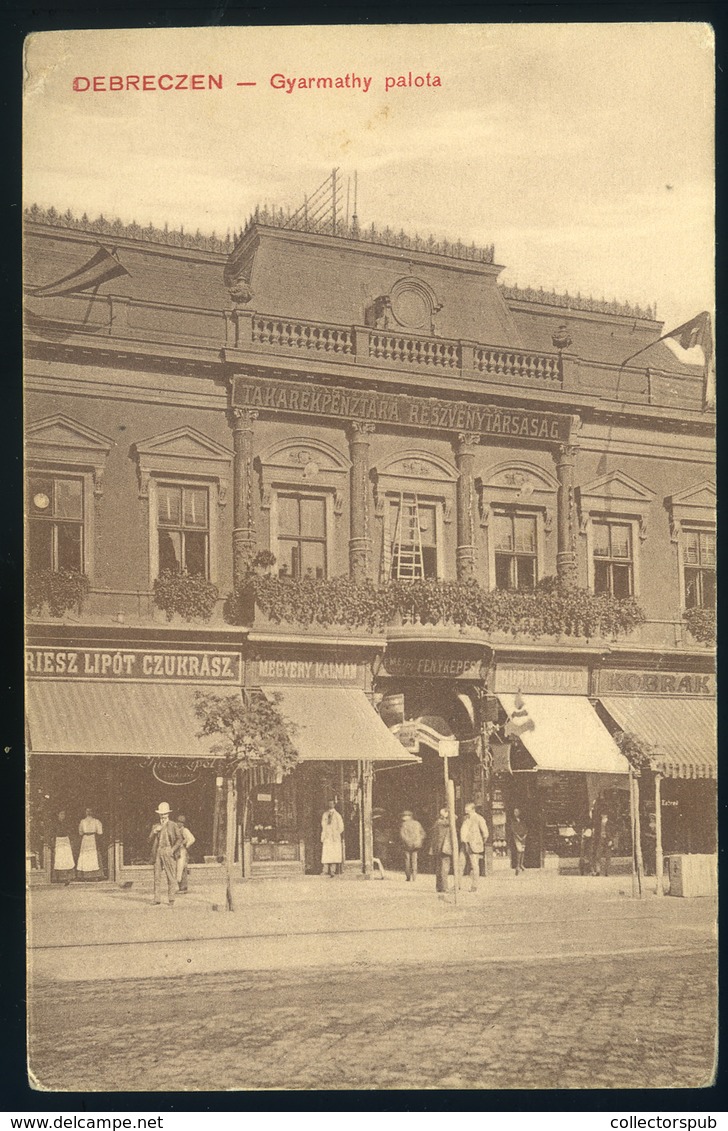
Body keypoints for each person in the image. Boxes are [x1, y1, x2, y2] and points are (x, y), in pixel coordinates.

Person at [149, 802, 184, 905]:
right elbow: (149, 839)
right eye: (161, 814)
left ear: (168, 814)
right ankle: (157, 899)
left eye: (164, 814)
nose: (163, 816)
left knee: (170, 876)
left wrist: (172, 850)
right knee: (157, 876)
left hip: (168, 851)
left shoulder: (173, 825)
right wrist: (154, 832)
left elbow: (179, 839)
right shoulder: (155, 826)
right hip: (158, 851)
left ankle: (171, 899)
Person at [460, 802, 489, 892]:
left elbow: (485, 833)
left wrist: (479, 843)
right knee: (460, 864)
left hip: (474, 845)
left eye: (467, 808)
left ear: (473, 809)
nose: (465, 810)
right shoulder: (465, 818)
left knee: (474, 865)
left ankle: (474, 886)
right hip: (464, 844)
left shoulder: (479, 819)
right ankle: (457, 885)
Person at [429, 807, 453, 893]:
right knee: (444, 868)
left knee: (439, 867)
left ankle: (439, 887)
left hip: (437, 848)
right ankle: (444, 887)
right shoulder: (443, 823)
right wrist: (450, 813)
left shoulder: (437, 822)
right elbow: (454, 819)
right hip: (444, 848)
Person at [76, 807, 104, 881]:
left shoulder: (83, 822)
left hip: (88, 839)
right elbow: (100, 832)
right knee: (90, 856)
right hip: (91, 839)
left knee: (89, 855)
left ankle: (88, 876)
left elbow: (80, 832)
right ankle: (90, 875)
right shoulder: (95, 821)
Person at [399, 810, 426, 882]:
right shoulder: (417, 823)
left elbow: (402, 835)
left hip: (406, 845)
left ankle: (408, 877)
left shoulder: (403, 824)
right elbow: (423, 833)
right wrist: (419, 840)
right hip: (416, 844)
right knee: (414, 860)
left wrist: (406, 841)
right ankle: (414, 877)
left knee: (407, 860)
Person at [51, 809, 76, 884]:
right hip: (58, 840)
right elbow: (53, 833)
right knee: (59, 858)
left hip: (66, 840)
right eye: (61, 814)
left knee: (67, 858)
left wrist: (71, 841)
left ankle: (68, 877)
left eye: (64, 814)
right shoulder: (55, 824)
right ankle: (58, 877)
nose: (63, 816)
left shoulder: (67, 823)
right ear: (58, 815)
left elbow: (70, 832)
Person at [320, 800, 344, 877]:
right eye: (329, 803)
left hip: (334, 837)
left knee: (334, 853)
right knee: (326, 853)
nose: (330, 805)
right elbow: (323, 825)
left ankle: (332, 871)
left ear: (334, 805)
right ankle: (325, 870)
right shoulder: (325, 814)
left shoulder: (337, 815)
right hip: (327, 837)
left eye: (332, 803)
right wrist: (324, 834)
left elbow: (341, 827)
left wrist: (336, 833)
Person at [176, 814, 196, 894]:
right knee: (178, 869)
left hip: (183, 851)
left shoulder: (185, 830)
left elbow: (192, 839)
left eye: (180, 822)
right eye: (178, 822)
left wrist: (186, 844)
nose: (179, 823)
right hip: (178, 851)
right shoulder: (177, 830)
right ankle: (180, 886)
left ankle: (183, 887)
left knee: (182, 868)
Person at [511, 808, 528, 875]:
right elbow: (513, 831)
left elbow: (526, 829)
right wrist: (518, 837)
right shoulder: (513, 821)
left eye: (516, 812)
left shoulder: (522, 821)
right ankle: (517, 866)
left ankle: (521, 864)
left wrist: (524, 836)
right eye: (514, 812)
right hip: (517, 838)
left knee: (523, 851)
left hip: (523, 838)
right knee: (519, 850)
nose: (515, 813)